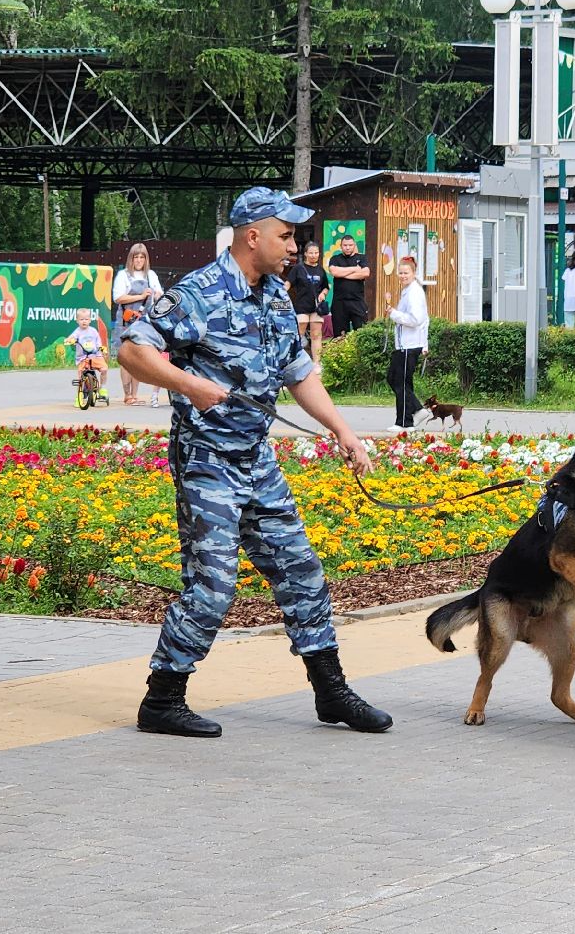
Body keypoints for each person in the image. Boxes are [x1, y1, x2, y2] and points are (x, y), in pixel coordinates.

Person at [116, 186, 390, 739]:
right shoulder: (196, 293)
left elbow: (298, 372)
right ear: (252, 236)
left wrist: (344, 432)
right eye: (286, 236)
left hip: (256, 459)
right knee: (213, 586)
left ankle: (331, 692)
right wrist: (187, 383)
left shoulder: (275, 297)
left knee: (302, 571)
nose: (294, 246)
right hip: (207, 460)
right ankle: (162, 698)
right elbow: (131, 348)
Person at [114, 244, 165, 405]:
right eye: (136, 257)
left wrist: (157, 294)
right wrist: (140, 296)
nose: (139, 260)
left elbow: (160, 295)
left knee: (138, 357)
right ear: (131, 258)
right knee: (125, 356)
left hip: (144, 321)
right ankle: (127, 394)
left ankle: (135, 394)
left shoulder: (150, 275)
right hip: (126, 319)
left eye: (142, 257)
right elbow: (119, 298)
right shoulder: (123, 275)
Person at [387, 255, 429, 431]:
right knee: (397, 379)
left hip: (409, 345)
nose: (403, 276)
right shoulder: (408, 290)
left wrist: (394, 314)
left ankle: (406, 421)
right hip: (404, 344)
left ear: (413, 273)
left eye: (406, 273)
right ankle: (413, 413)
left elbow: (416, 319)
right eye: (401, 272)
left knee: (399, 381)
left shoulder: (414, 292)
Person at [287, 240, 331, 368]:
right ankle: (295, 362)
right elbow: (289, 283)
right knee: (299, 334)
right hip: (301, 306)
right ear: (305, 254)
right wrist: (280, 292)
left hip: (316, 308)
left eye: (316, 253)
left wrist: (323, 293)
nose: (314, 255)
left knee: (316, 335)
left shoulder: (320, 270)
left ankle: (317, 363)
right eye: (311, 253)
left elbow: (326, 286)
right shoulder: (298, 269)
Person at [326, 234, 372, 336]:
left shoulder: (361, 258)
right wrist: (354, 269)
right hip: (339, 303)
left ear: (354, 245)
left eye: (350, 245)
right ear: (341, 246)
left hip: (357, 301)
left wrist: (343, 275)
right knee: (340, 336)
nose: (347, 247)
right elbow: (334, 272)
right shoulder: (335, 258)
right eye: (345, 245)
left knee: (361, 333)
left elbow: (365, 273)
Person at [67, 308, 109, 400]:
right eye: (81, 319)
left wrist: (101, 348)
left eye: (86, 319)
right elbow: (71, 337)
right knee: (81, 376)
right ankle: (80, 395)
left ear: (90, 320)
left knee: (104, 369)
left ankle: (102, 388)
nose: (84, 321)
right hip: (83, 358)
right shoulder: (77, 332)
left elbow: (99, 343)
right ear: (77, 321)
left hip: (96, 356)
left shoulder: (93, 331)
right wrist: (68, 340)